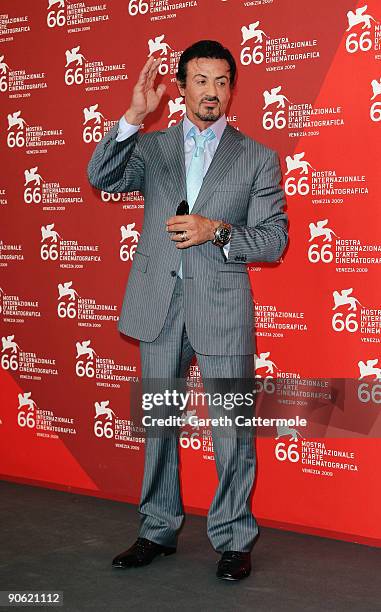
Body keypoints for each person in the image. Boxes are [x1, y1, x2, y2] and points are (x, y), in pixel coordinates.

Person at [87, 40, 288, 581]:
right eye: (201, 81)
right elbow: (100, 176)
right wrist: (133, 114)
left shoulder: (256, 157)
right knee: (159, 425)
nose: (212, 92)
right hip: (158, 304)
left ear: (231, 89)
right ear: (180, 87)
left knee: (232, 431)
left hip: (221, 305)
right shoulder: (153, 148)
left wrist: (215, 230)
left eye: (222, 82)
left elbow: (273, 241)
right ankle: (157, 529)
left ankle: (234, 538)